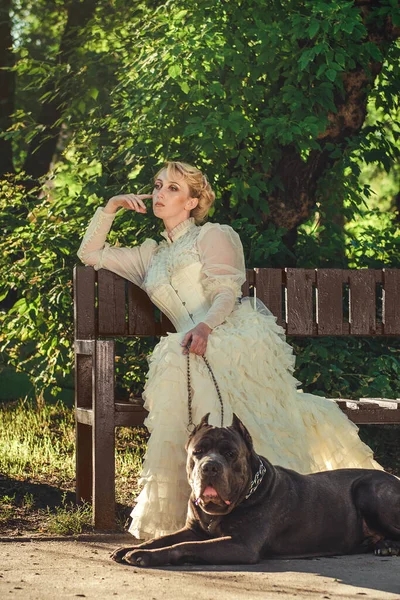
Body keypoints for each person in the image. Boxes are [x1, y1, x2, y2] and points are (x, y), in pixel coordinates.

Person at [77, 161, 382, 540]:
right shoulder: (149, 256)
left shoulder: (213, 236)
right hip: (187, 347)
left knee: (180, 355)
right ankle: (192, 511)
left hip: (229, 333)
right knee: (177, 355)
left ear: (192, 201)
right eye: (157, 186)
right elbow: (90, 254)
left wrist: (205, 327)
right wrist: (110, 208)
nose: (159, 194)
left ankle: (258, 510)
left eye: (172, 188)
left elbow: (226, 293)